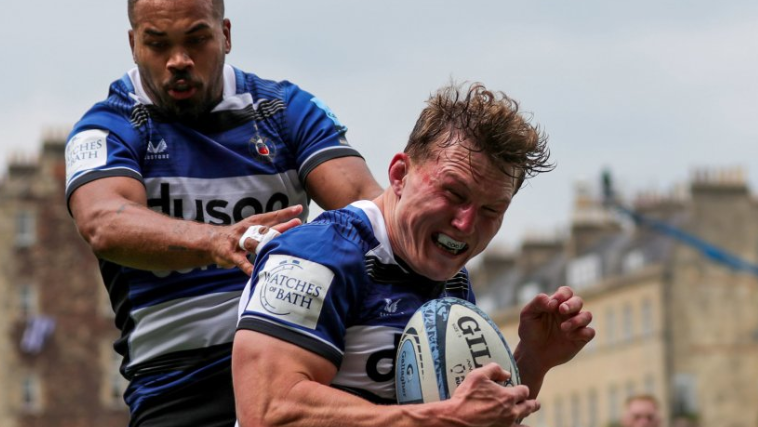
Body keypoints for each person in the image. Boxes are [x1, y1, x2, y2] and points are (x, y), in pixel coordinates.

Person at [65, 0, 382, 425]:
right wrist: (216, 241)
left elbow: (370, 211)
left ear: (226, 35)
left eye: (197, 40)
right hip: (180, 389)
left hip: (296, 365)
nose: (179, 60)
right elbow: (104, 222)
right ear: (133, 44)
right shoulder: (107, 127)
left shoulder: (285, 111)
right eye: (158, 44)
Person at [233, 82, 596, 426]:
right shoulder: (316, 256)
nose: (466, 224)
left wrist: (533, 360)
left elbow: (468, 417)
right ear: (399, 174)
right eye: (454, 194)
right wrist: (441, 418)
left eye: (490, 211)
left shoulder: (451, 279)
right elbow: (267, 410)